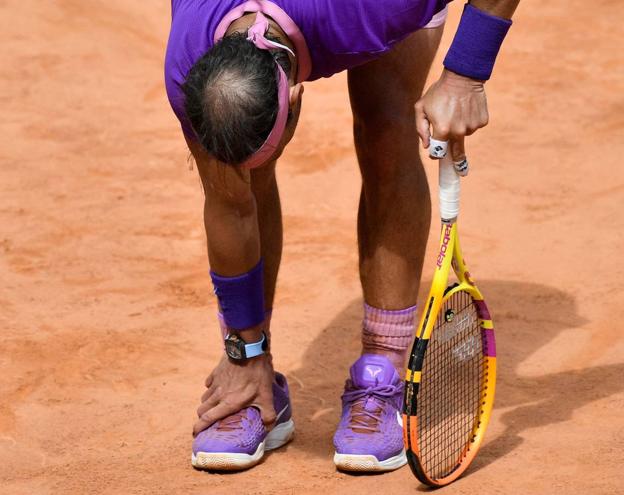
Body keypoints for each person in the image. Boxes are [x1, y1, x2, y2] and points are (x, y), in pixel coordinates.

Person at [164, 0, 519, 472]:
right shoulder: (188, 60)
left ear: (294, 101)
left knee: (387, 125)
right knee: (237, 172)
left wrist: (465, 74)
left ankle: (382, 371)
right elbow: (229, 204)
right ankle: (251, 370)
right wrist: (242, 352)